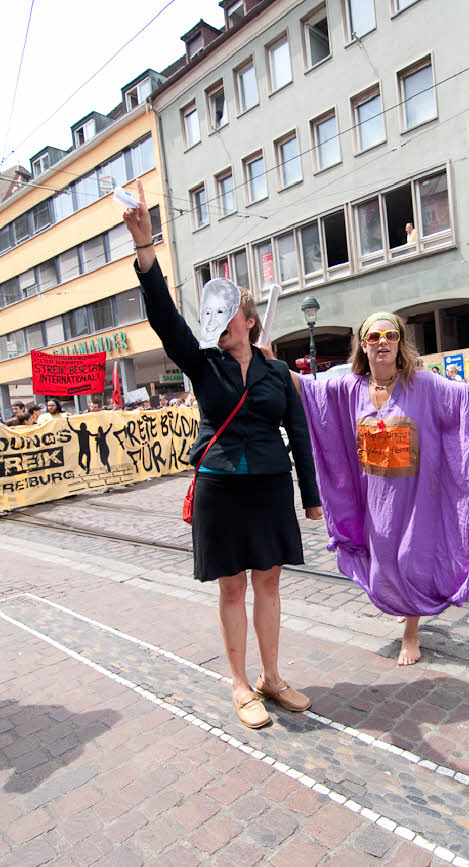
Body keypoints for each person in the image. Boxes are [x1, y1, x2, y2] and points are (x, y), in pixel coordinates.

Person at [122, 180, 322, 730]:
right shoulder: (202, 363)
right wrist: (146, 251)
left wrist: (311, 498)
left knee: (270, 582)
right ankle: (238, 682)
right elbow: (165, 318)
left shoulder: (277, 372)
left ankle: (272, 677)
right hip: (220, 484)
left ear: (249, 320)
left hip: (270, 485)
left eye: (229, 313)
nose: (220, 323)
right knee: (233, 587)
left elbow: (299, 434)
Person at [282, 312, 469, 667]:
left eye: (390, 335)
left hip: (417, 495)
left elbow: (468, 395)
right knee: (383, 558)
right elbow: (308, 387)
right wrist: (266, 360)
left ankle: (411, 632)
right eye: (374, 336)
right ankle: (403, 602)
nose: (382, 342)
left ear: (400, 342)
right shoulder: (350, 386)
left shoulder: (422, 384)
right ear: (364, 345)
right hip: (374, 498)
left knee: (408, 559)